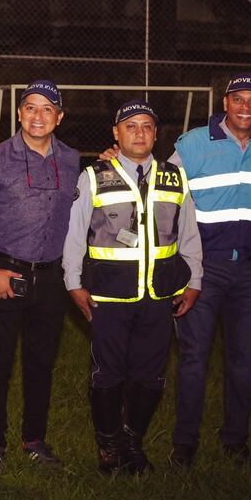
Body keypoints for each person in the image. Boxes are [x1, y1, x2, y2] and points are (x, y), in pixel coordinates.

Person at [62, 99, 202, 475]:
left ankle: (131, 441)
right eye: (130, 126)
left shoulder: (174, 176)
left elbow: (189, 233)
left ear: (156, 134)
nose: (139, 133)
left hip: (159, 295)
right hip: (108, 295)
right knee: (108, 374)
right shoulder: (93, 175)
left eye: (147, 127)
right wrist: (73, 282)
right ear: (116, 133)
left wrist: (195, 280)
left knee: (151, 376)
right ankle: (108, 445)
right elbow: (75, 234)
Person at [166, 73, 251, 467]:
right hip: (203, 269)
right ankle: (185, 443)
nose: (246, 108)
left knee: (242, 360)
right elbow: (164, 193)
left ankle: (235, 440)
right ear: (225, 102)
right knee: (193, 356)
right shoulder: (193, 143)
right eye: (239, 99)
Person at [0, 80, 80, 472]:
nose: (38, 116)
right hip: (4, 271)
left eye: (47, 109)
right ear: (19, 113)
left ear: (59, 117)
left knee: (41, 364)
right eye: (31, 108)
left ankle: (34, 438)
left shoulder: (71, 160)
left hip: (50, 276)